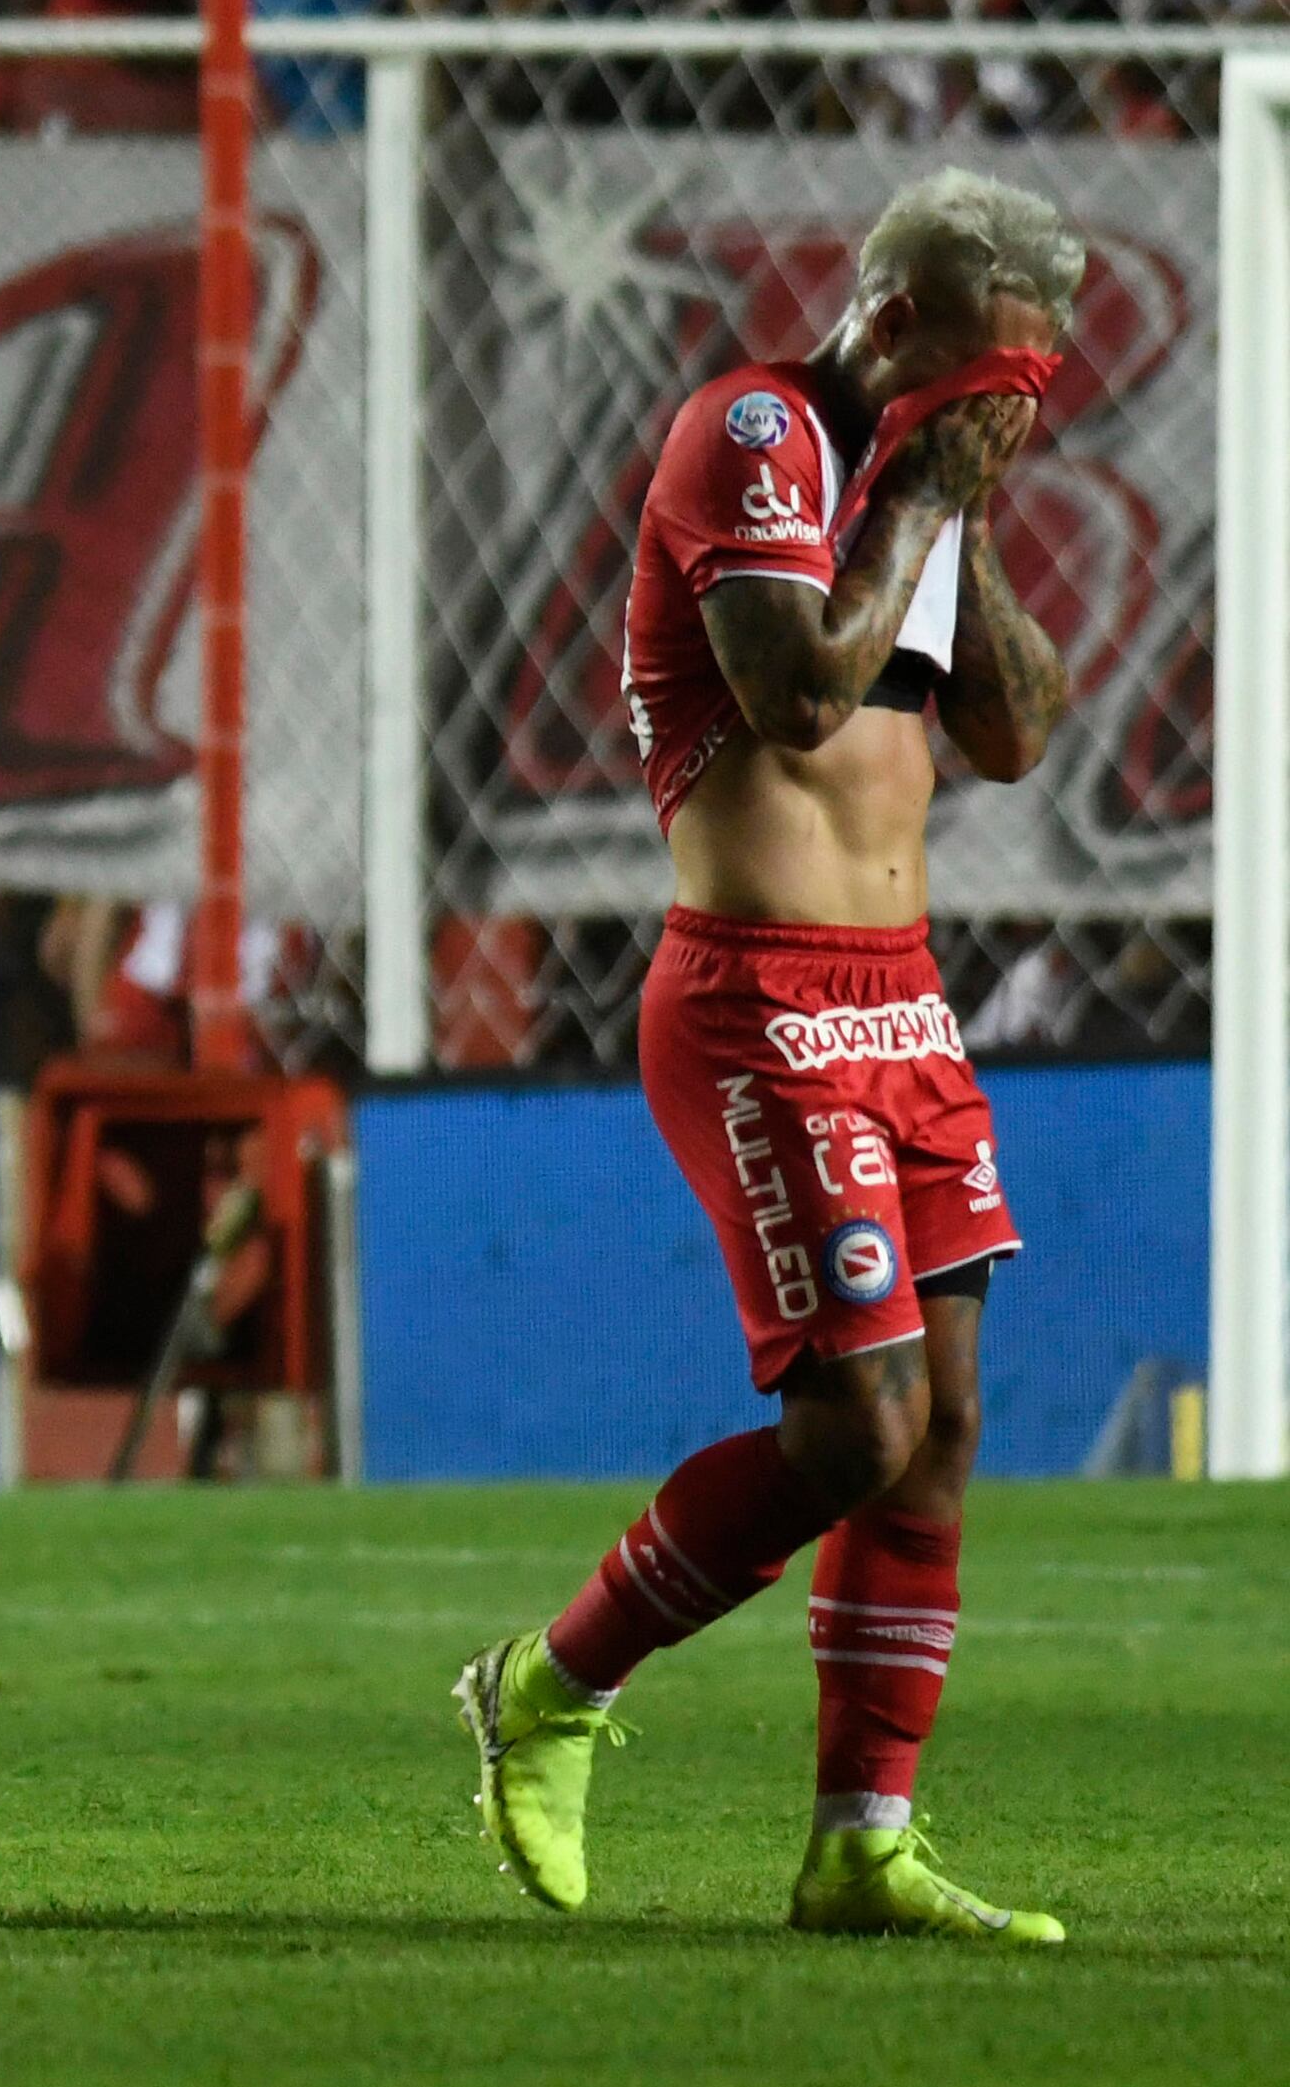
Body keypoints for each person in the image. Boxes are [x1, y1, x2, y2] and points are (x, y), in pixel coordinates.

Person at [455, 168, 1082, 1944]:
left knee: (942, 1424)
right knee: (855, 1424)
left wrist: (967, 508)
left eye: (1030, 389)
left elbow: (1014, 734)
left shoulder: (917, 489)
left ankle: (860, 1841)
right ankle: (551, 1683)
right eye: (990, 375)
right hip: (758, 998)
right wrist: (923, 495)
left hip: (904, 996)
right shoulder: (754, 435)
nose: (1008, 412)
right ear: (892, 322)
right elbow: (799, 697)